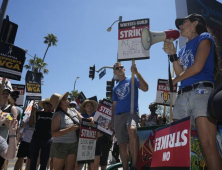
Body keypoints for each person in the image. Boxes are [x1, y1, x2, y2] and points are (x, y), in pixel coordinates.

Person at [163, 13, 222, 170]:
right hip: (183, 96)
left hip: (201, 92)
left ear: (195, 23)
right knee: (177, 146)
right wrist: (173, 54)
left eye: (183, 22)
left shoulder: (204, 38)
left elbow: (197, 67)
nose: (180, 26)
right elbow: (180, 72)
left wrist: (173, 82)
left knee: (207, 144)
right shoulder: (182, 50)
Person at [110, 62, 148, 170]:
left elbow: (146, 88)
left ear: (124, 69)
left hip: (131, 112)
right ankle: (125, 167)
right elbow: (114, 104)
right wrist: (112, 120)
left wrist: (137, 73)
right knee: (121, 144)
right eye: (117, 68)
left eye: (121, 67)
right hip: (118, 116)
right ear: (114, 72)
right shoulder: (115, 87)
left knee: (132, 130)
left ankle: (134, 165)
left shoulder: (132, 79)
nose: (120, 69)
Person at [50, 92, 92, 170]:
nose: (66, 99)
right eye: (63, 99)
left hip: (73, 144)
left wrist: (90, 119)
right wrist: (69, 129)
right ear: (59, 104)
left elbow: (83, 120)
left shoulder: (73, 110)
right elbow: (54, 133)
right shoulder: (57, 115)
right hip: (60, 145)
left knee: (70, 168)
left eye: (65, 97)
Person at [29, 98, 53, 170]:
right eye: (47, 103)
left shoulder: (53, 115)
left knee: (44, 160)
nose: (48, 105)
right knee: (33, 158)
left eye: (50, 104)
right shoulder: (37, 113)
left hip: (47, 139)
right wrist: (32, 112)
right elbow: (31, 123)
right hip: (36, 138)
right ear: (43, 105)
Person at [77, 99, 101, 170]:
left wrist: (100, 134)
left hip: (96, 142)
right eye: (87, 105)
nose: (89, 107)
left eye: (91, 105)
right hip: (83, 143)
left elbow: (103, 127)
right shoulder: (80, 116)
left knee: (94, 166)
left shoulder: (98, 115)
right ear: (84, 108)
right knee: (78, 165)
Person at [0, 88, 18, 169]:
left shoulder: (12, 108)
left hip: (4, 134)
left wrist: (2, 118)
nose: (5, 95)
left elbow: (12, 125)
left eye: (7, 93)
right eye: (3, 93)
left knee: (2, 159)